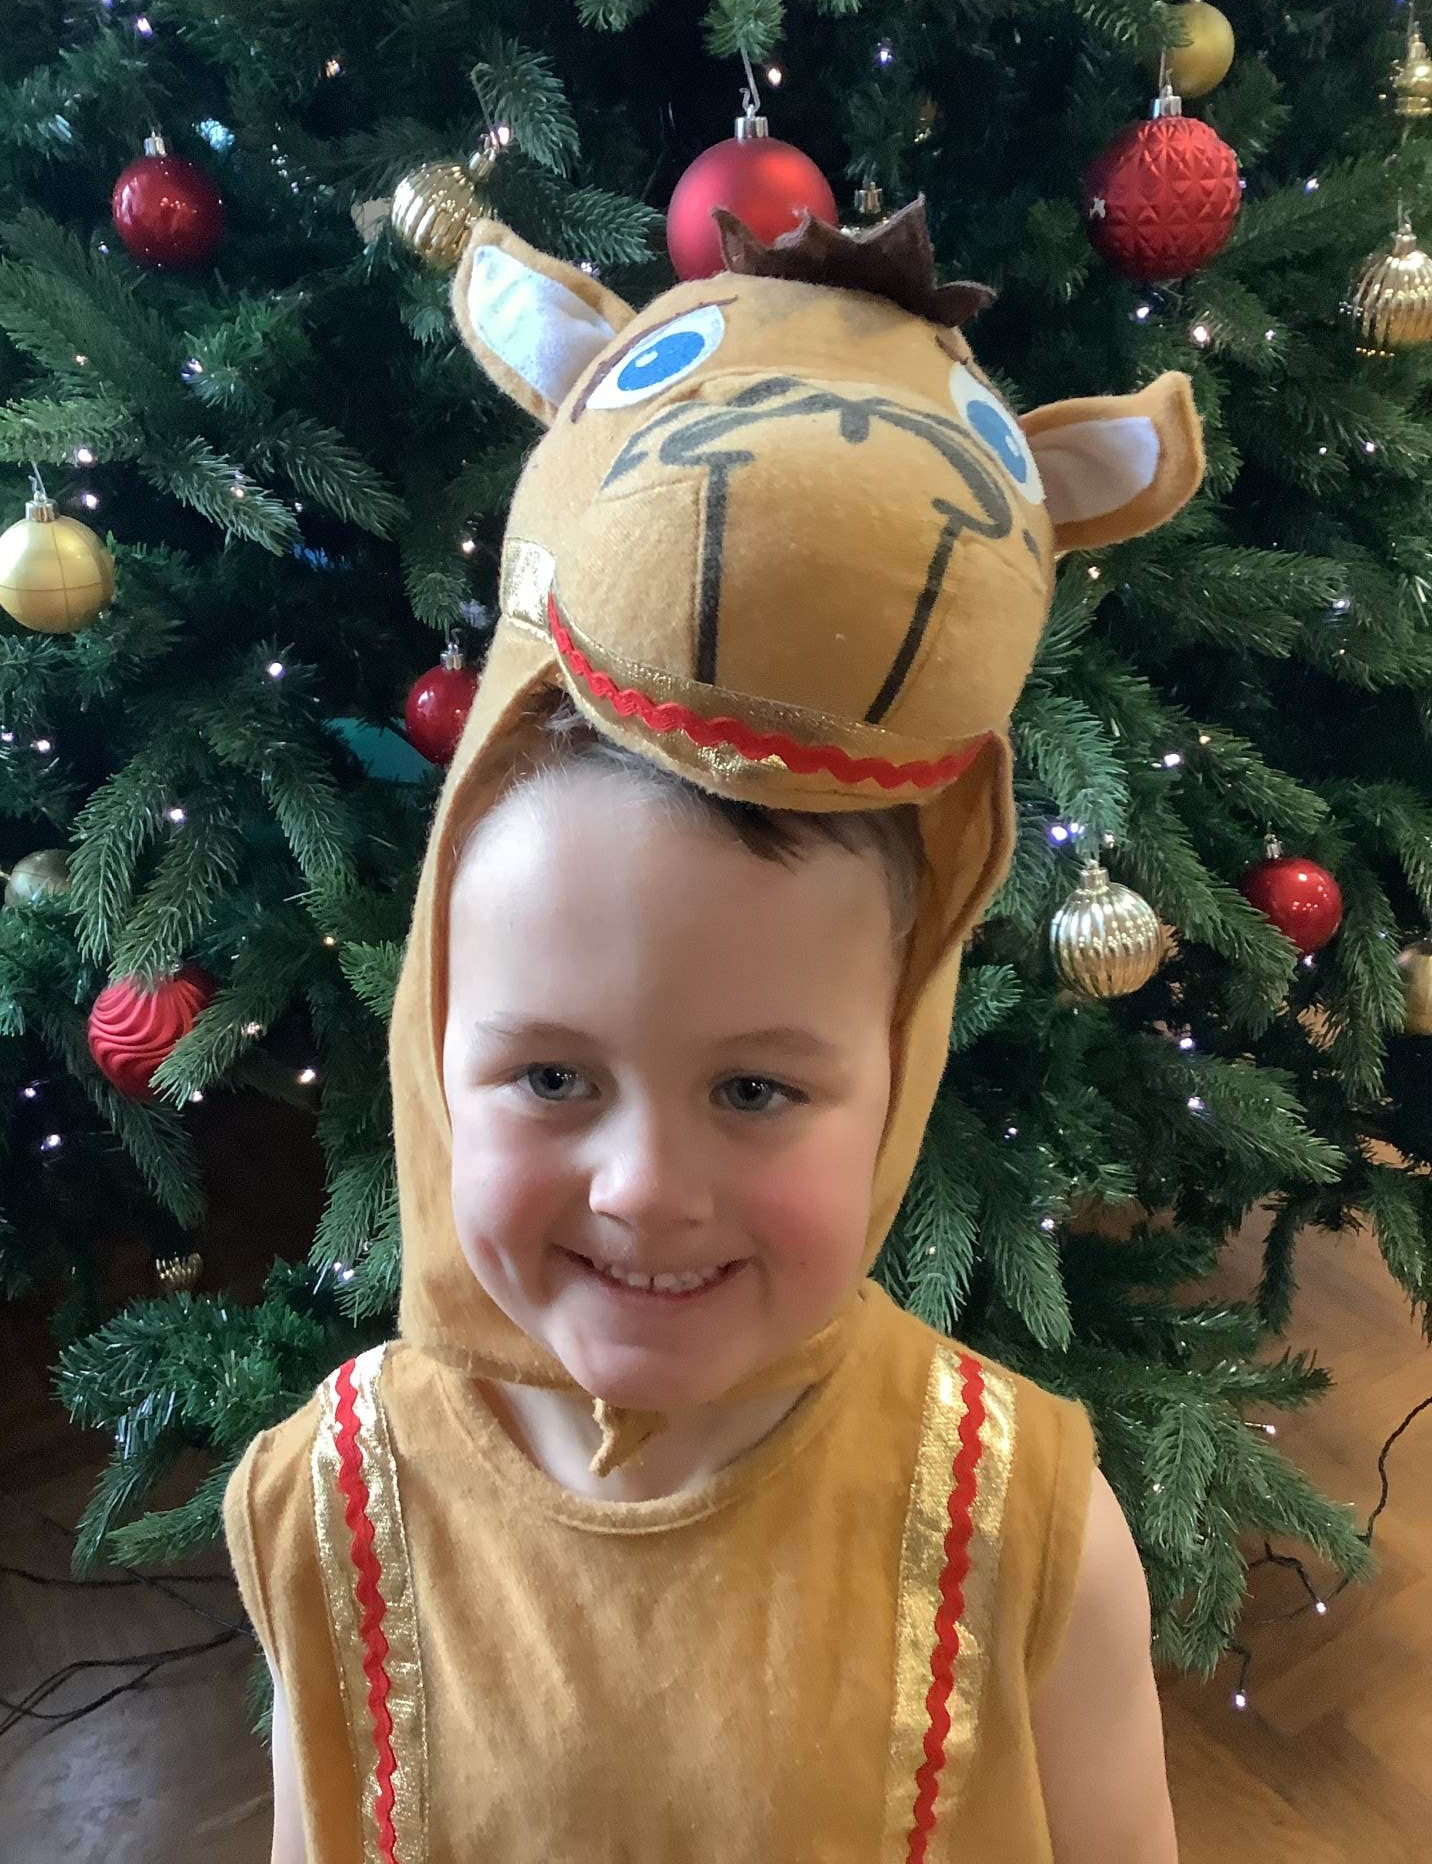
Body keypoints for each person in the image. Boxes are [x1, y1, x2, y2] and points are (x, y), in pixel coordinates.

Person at [225, 198, 1203, 1863]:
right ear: (437, 1054)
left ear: (896, 1078)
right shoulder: (330, 1508)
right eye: (550, 1075)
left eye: (755, 1087)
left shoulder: (1023, 1527)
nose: (643, 1189)